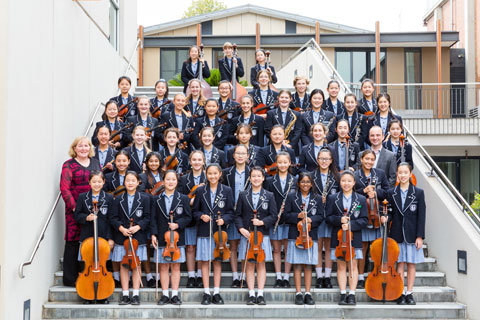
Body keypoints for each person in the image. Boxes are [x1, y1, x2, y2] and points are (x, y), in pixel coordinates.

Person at [60, 137, 101, 287]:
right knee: (72, 241)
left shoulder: (95, 162)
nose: (83, 148)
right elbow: (64, 188)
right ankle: (70, 279)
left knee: (90, 241)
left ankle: (89, 274)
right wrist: (74, 207)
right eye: (80, 146)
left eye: (86, 146)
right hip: (75, 209)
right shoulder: (68, 165)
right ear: (74, 148)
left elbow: (100, 182)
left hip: (93, 207)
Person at [192, 164, 234, 305]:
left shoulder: (227, 190)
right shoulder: (200, 191)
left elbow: (231, 212)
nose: (212, 176)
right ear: (206, 173)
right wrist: (201, 216)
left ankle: (216, 291)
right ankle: (206, 292)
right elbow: (194, 211)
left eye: (215, 173)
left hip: (219, 233)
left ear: (220, 174)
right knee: (204, 261)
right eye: (210, 173)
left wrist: (225, 220)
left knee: (217, 261)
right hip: (204, 230)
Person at [236, 167, 277, 305]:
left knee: (260, 264)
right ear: (250, 178)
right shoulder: (242, 195)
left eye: (259, 176)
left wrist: (262, 222)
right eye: (253, 176)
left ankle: (260, 293)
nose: (256, 179)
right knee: (249, 265)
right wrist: (241, 228)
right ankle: (251, 293)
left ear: (263, 178)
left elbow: (273, 216)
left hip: (261, 236)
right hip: (247, 235)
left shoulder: (269, 195)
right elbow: (238, 215)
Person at [326, 170, 368, 306]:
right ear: (340, 182)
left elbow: (364, 220)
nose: (346, 183)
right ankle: (343, 293)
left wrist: (350, 224)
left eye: (349, 181)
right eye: (343, 181)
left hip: (354, 237)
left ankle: (352, 294)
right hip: (338, 239)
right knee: (341, 265)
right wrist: (340, 220)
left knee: (353, 265)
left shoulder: (360, 199)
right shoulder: (333, 198)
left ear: (354, 182)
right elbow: (328, 218)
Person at [386, 163, 425, 305]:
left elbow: (421, 216)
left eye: (405, 172)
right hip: (397, 234)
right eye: (400, 173)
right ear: (397, 174)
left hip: (412, 234)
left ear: (410, 174)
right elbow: (390, 213)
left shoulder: (418, 193)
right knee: (400, 264)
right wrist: (385, 217)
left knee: (411, 264)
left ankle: (410, 293)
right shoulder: (392, 192)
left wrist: (419, 236)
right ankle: (400, 292)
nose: (402, 175)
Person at [150, 170, 192, 305]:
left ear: (177, 181)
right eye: (167, 179)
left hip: (176, 239)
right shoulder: (156, 199)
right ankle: (164, 294)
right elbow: (153, 219)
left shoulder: (183, 198)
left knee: (175, 267)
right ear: (163, 181)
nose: (170, 182)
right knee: (163, 267)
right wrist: (153, 234)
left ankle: (174, 294)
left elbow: (188, 217)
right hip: (162, 237)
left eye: (173, 179)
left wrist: (178, 224)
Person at [73, 170, 115, 304]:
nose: (96, 184)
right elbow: (77, 215)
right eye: (94, 182)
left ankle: (103, 295)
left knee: (102, 264)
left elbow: (111, 219)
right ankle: (87, 295)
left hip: (103, 237)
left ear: (103, 182)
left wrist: (110, 238)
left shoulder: (109, 198)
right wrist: (87, 217)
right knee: (87, 264)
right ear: (89, 182)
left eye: (99, 182)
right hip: (87, 238)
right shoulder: (82, 197)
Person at [110, 171, 150, 306]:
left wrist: (138, 227)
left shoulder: (144, 198)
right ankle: (125, 294)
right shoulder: (118, 199)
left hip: (138, 237)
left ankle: (136, 294)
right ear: (124, 182)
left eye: (133, 180)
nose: (130, 183)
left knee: (136, 264)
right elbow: (113, 218)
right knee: (124, 265)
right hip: (122, 238)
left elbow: (147, 217)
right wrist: (122, 229)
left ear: (138, 182)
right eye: (128, 180)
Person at [284, 172, 323, 305]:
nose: (305, 184)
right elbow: (285, 216)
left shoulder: (317, 198)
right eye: (302, 182)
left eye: (308, 182)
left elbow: (321, 216)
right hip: (296, 235)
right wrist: (297, 216)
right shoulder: (291, 197)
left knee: (308, 265)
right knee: (297, 265)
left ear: (312, 183)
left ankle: (308, 292)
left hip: (311, 235)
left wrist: (311, 218)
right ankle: (298, 292)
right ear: (298, 183)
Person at [353, 150, 389, 288]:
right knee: (362, 247)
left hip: (377, 216)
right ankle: (361, 277)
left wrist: (376, 192)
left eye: (371, 159)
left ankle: (377, 274)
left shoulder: (380, 173)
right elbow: (350, 191)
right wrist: (363, 191)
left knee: (377, 248)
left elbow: (387, 191)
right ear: (361, 159)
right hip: (362, 215)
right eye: (366, 159)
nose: (369, 162)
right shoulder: (355, 175)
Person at [265, 152, 296, 288]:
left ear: (289, 163)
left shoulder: (295, 180)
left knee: (289, 249)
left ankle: (286, 277)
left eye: (285, 162)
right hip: (275, 218)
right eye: (280, 162)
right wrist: (274, 213)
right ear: (276, 164)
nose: (283, 165)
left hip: (289, 219)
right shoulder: (269, 181)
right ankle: (278, 276)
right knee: (276, 249)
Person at [223, 145, 251, 287]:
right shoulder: (226, 173)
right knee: (233, 245)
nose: (240, 156)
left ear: (248, 156)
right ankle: (235, 276)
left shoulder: (253, 172)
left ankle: (244, 275)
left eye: (243, 153)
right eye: (238, 153)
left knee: (244, 245)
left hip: (247, 214)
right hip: (231, 213)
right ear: (233, 155)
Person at [311, 148, 339, 288]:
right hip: (316, 215)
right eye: (321, 158)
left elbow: (339, 196)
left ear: (331, 160)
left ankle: (327, 276)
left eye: (327, 159)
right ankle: (319, 276)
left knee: (328, 247)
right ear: (317, 159)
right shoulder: (311, 176)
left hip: (330, 215)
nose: (324, 161)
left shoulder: (336, 177)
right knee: (317, 245)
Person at [179, 150, 206, 288]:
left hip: (203, 216)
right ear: (190, 162)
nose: (196, 162)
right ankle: (191, 275)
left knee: (201, 247)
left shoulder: (209, 177)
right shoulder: (184, 179)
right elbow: (180, 198)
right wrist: (190, 201)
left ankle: (200, 275)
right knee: (190, 247)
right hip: (188, 216)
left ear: (203, 161)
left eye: (199, 160)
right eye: (194, 160)